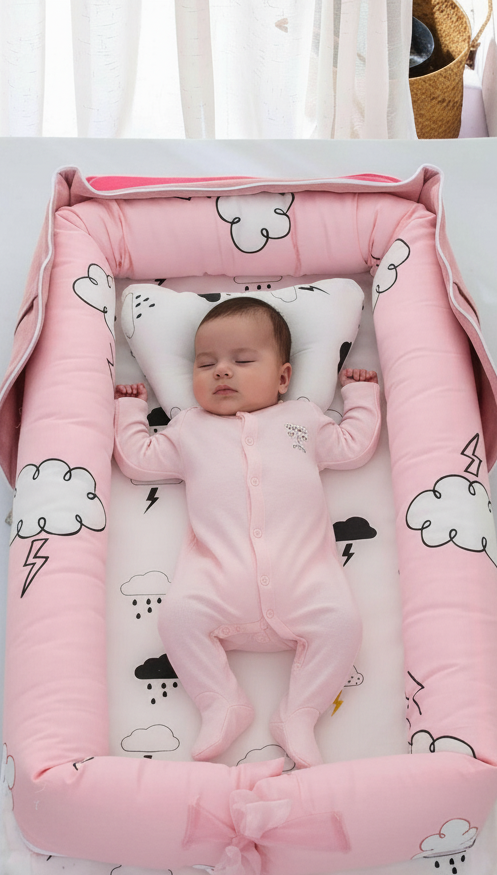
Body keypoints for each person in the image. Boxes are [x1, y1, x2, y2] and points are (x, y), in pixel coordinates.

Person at [114, 296, 381, 768]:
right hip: (218, 584)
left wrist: (359, 397)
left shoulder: (302, 419)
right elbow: (139, 459)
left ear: (282, 377)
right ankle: (222, 702)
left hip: (305, 582)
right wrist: (129, 412)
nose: (222, 371)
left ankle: (299, 712)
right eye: (206, 363)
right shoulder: (188, 430)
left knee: (343, 625)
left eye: (241, 361)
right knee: (177, 618)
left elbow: (352, 447)